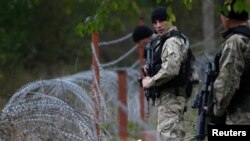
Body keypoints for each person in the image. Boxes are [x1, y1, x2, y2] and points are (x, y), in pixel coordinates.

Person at [142, 5, 193, 141]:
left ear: (171, 20)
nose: (158, 26)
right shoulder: (166, 40)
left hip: (171, 99)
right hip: (171, 98)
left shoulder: (172, 41)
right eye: (155, 22)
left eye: (162, 21)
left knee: (168, 137)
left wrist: (150, 82)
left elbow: (171, 69)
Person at [211, 0, 250, 125]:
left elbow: (227, 81)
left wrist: (217, 112)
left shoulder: (235, 41)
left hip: (240, 114)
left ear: (226, 17)